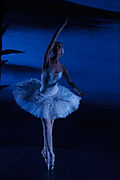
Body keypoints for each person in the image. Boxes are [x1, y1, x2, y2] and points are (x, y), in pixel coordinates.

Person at [13, 19, 85, 171]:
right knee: (46, 125)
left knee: (50, 126)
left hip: (56, 96)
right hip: (43, 97)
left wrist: (78, 91)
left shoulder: (62, 67)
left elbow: (70, 82)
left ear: (61, 51)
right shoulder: (47, 61)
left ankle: (45, 150)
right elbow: (51, 42)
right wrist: (60, 27)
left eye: (59, 47)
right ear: (52, 50)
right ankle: (51, 154)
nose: (56, 48)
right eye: (55, 47)